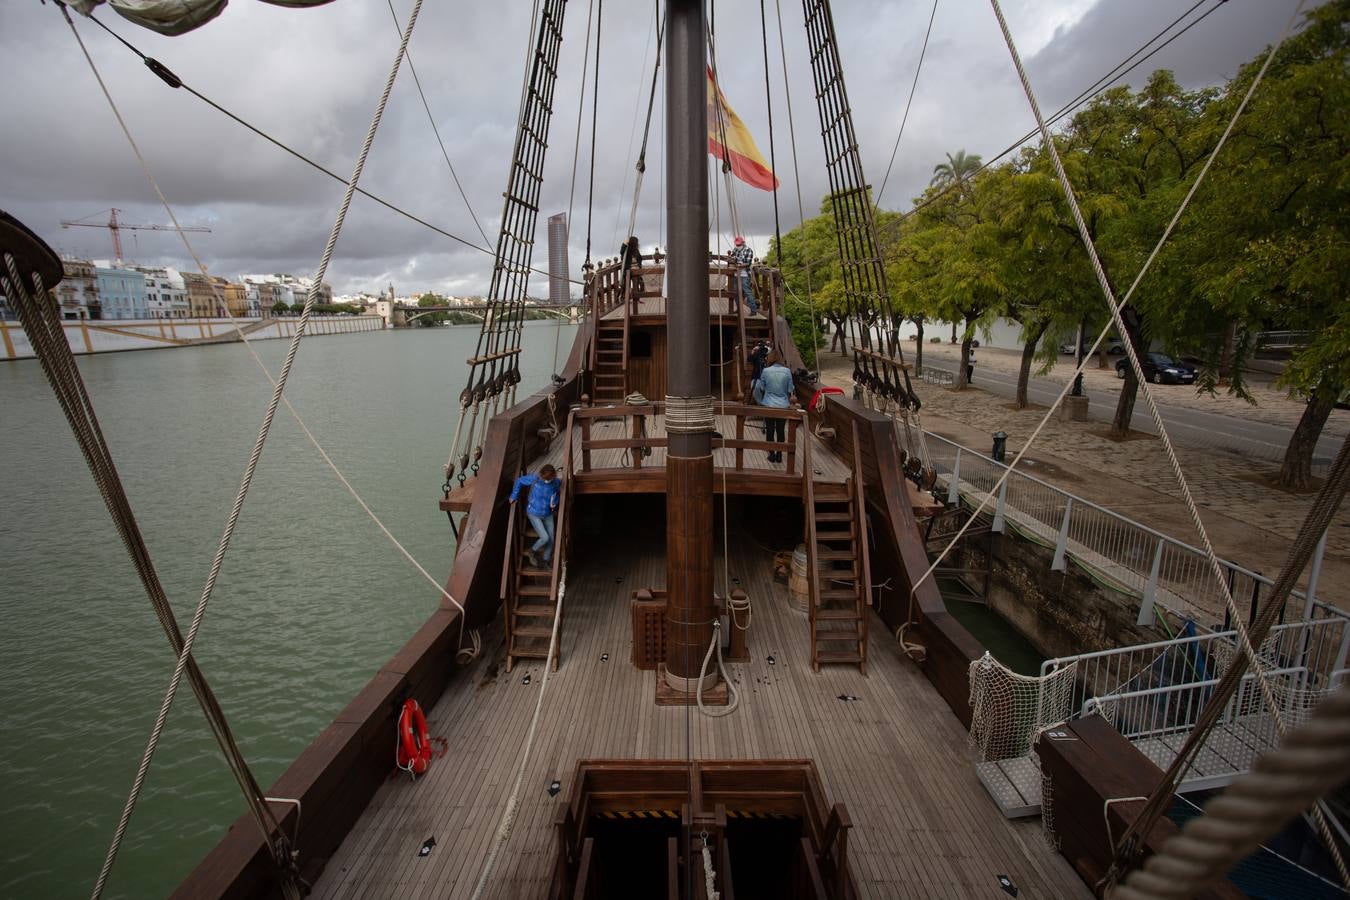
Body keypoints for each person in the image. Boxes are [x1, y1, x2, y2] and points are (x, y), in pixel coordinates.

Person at [509, 464, 562, 568]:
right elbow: (519, 481)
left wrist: (555, 502)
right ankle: (532, 551)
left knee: (551, 539)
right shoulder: (535, 479)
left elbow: (558, 494)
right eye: (544, 478)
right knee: (545, 537)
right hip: (534, 513)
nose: (545, 480)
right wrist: (514, 495)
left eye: (548, 479)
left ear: (552, 477)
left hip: (548, 513)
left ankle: (545, 561)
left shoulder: (556, 482)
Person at [752, 351, 794, 463]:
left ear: (770, 359)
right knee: (780, 430)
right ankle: (779, 454)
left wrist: (762, 399)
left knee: (770, 429)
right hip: (783, 405)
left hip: (769, 404)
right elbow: (790, 390)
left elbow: (760, 387)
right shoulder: (787, 371)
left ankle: (771, 454)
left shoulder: (766, 371)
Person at [728, 236, 757, 315]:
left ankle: (753, 310)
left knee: (747, 292)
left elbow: (748, 263)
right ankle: (739, 309)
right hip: (736, 274)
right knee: (735, 292)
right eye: (736, 245)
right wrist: (730, 259)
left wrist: (739, 265)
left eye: (739, 245)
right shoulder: (735, 249)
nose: (738, 246)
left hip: (744, 275)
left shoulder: (749, 250)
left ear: (743, 243)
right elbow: (732, 258)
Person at [620, 236, 644, 301]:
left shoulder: (636, 250)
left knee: (638, 283)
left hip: (636, 270)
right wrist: (625, 243)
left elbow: (640, 259)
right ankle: (624, 297)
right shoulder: (627, 250)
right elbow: (621, 251)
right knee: (626, 285)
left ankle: (636, 298)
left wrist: (639, 267)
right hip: (628, 270)